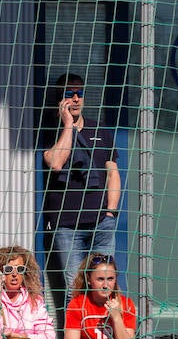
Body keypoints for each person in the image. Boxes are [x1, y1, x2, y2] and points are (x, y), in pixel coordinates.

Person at [41, 74, 121, 299]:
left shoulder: (101, 130)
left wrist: (111, 211)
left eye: (79, 94)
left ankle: (102, 333)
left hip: (101, 223)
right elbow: (56, 163)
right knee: (74, 290)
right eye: (69, 94)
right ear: (60, 99)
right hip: (67, 226)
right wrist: (68, 126)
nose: (76, 99)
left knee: (105, 288)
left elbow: (112, 172)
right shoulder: (50, 131)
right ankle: (75, 335)